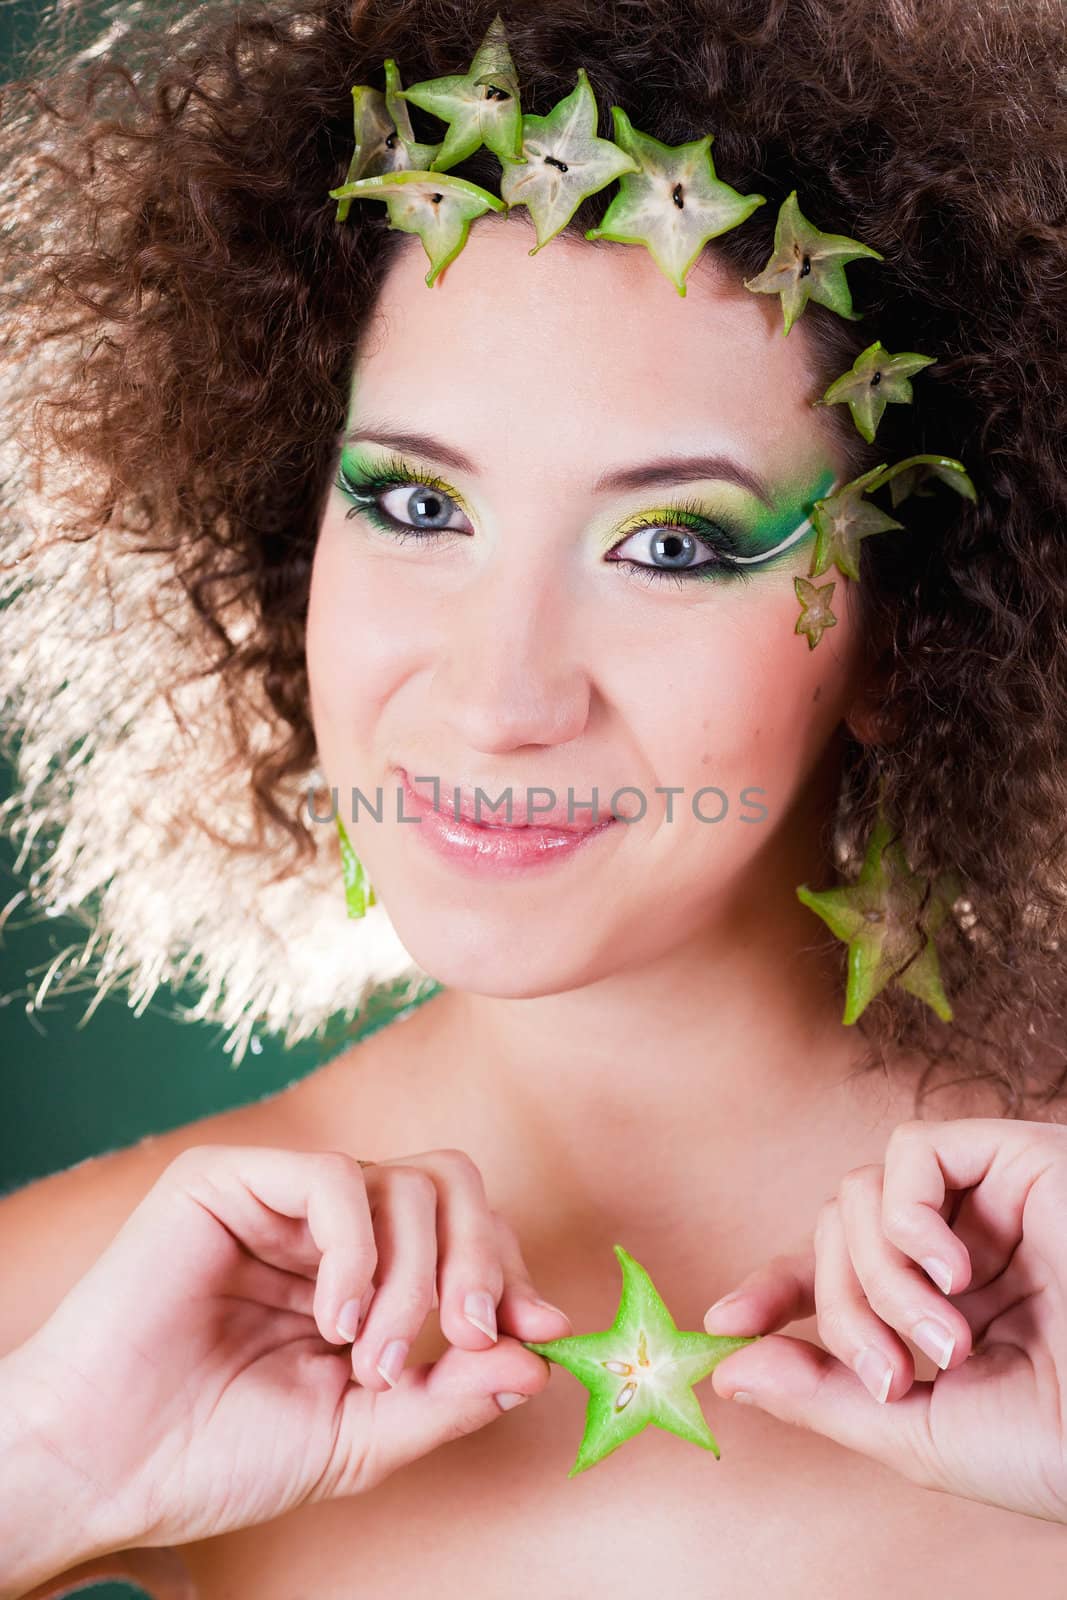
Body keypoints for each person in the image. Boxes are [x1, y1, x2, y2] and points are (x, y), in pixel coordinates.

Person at [1, 0, 1066, 1593]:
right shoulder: (71, 1322)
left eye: (677, 545)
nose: (499, 698)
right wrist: (47, 1479)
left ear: (916, 626)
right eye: (416, 503)